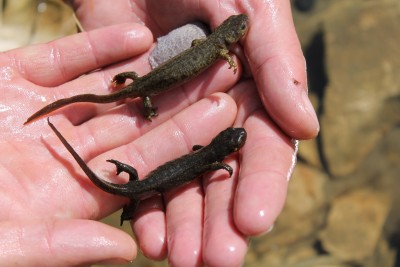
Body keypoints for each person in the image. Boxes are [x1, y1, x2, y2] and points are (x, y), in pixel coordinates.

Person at [0, 1, 319, 266]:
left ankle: (119, 93)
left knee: (137, 88)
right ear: (230, 38)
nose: (244, 32)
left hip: (147, 82)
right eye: (241, 30)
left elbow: (198, 45)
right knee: (139, 92)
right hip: (151, 88)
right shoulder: (222, 49)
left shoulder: (215, 44)